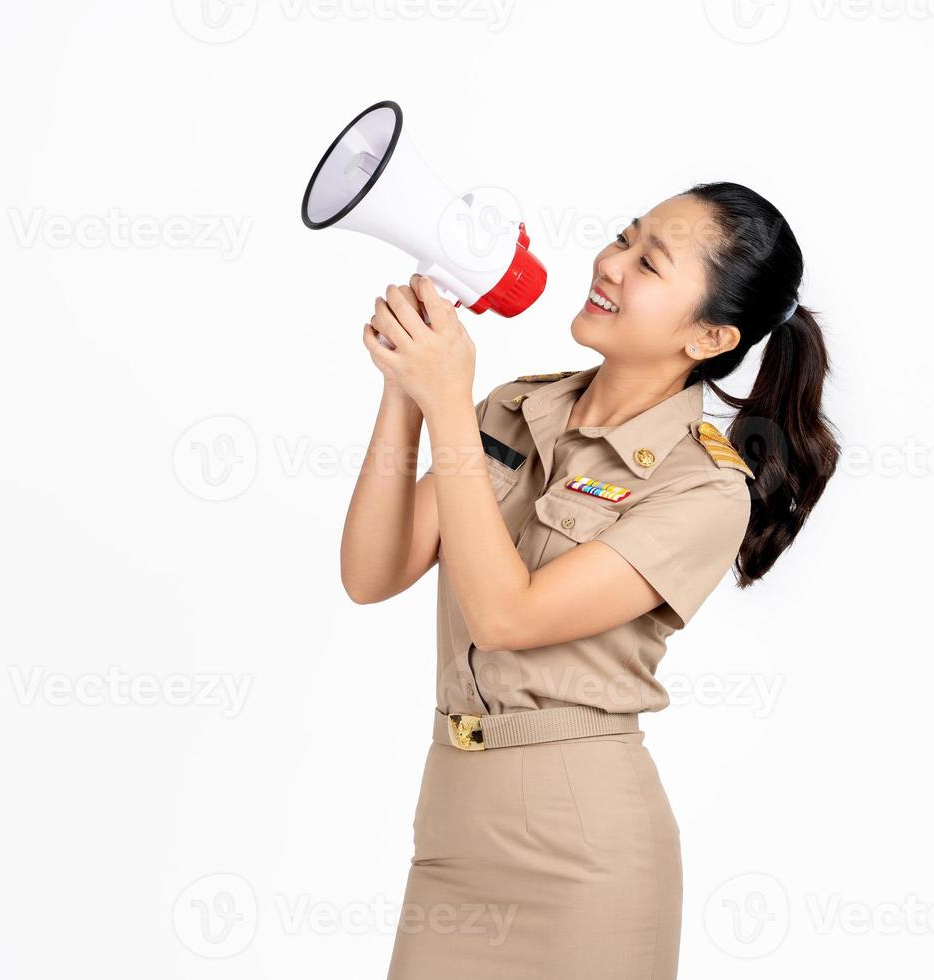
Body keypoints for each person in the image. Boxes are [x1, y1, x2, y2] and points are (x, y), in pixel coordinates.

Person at [340, 181, 839, 979]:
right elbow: (370, 574)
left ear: (710, 336)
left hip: (585, 854)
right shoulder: (514, 409)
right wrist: (407, 392)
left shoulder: (706, 488)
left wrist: (446, 405)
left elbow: (507, 615)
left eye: (649, 262)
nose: (610, 264)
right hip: (451, 828)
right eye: (623, 237)